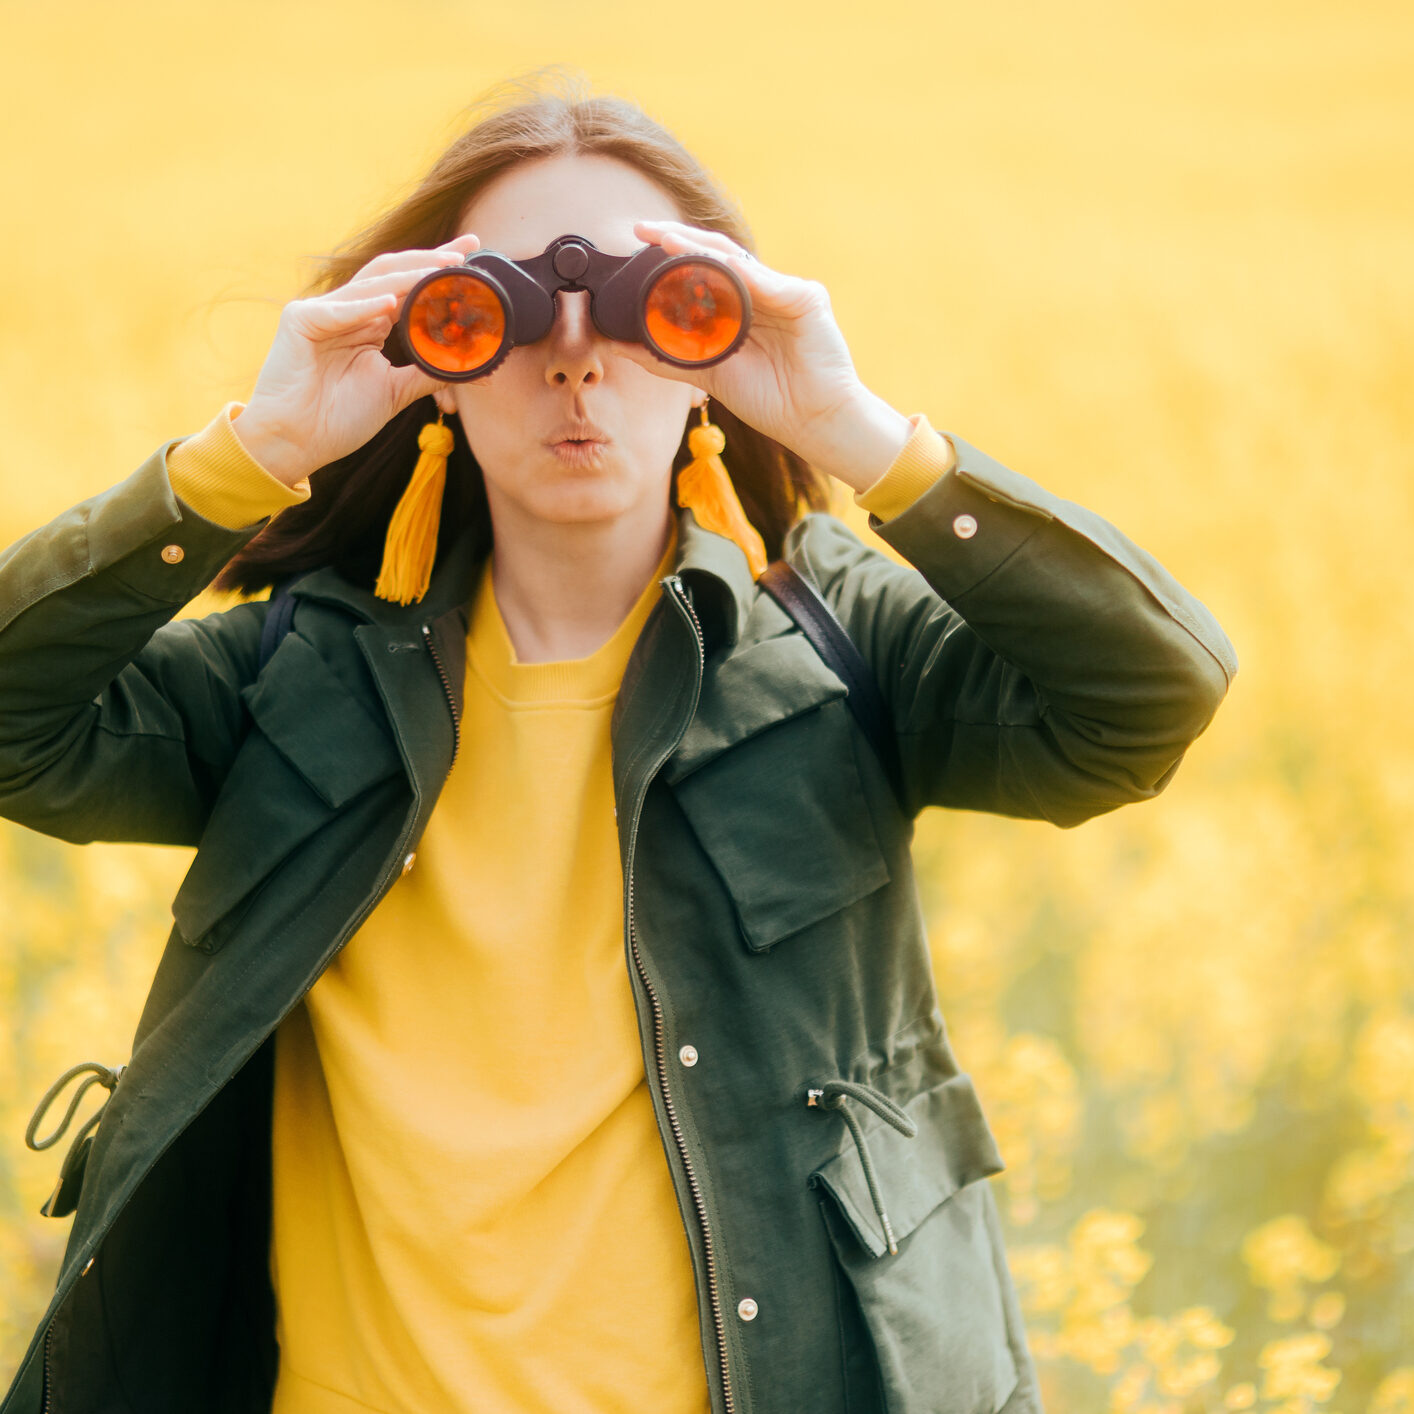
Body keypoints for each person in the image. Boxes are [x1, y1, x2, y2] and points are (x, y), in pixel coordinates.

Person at [0, 73, 1237, 1414]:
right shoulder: (297, 675)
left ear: (714, 350)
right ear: (435, 368)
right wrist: (254, 453)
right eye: (497, 311)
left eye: (661, 310)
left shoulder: (826, 640)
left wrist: (851, 431)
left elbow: (1147, 693)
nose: (574, 357)